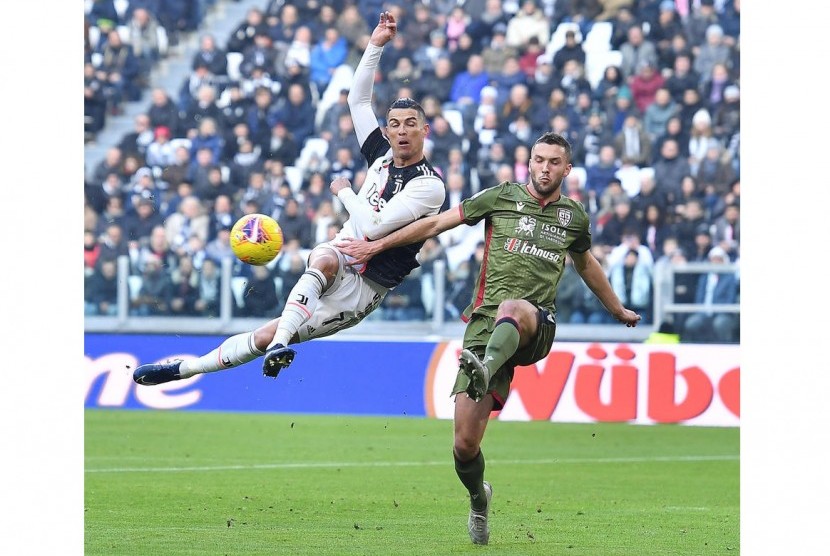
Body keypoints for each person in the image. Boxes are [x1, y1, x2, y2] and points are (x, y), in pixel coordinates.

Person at [336, 132, 640, 545]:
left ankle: (486, 366)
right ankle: (480, 500)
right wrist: (377, 245)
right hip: (483, 325)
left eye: (553, 162)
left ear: (567, 169)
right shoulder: (500, 197)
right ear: (528, 163)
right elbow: (436, 223)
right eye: (538, 160)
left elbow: (586, 265)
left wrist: (617, 309)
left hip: (536, 324)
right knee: (464, 445)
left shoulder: (574, 217)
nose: (544, 168)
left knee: (514, 307)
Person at [133, 11, 445, 384]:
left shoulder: (430, 185)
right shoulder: (380, 155)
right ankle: (187, 368)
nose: (401, 131)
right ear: (387, 131)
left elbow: (375, 227)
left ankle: (237, 354)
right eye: (394, 124)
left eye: (411, 124)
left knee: (263, 335)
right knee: (325, 255)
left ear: (425, 130)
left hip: (365, 288)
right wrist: (374, 45)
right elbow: (358, 102)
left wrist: (344, 190)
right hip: (343, 252)